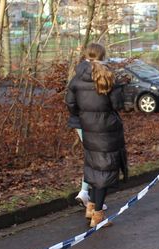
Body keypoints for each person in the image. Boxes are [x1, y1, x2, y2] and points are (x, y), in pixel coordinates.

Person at [65, 43, 128, 227]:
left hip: (88, 128)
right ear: (104, 56)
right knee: (104, 169)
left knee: (94, 166)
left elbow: (70, 104)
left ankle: (91, 207)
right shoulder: (107, 77)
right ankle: (98, 216)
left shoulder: (76, 79)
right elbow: (117, 105)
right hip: (107, 129)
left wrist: (83, 117)